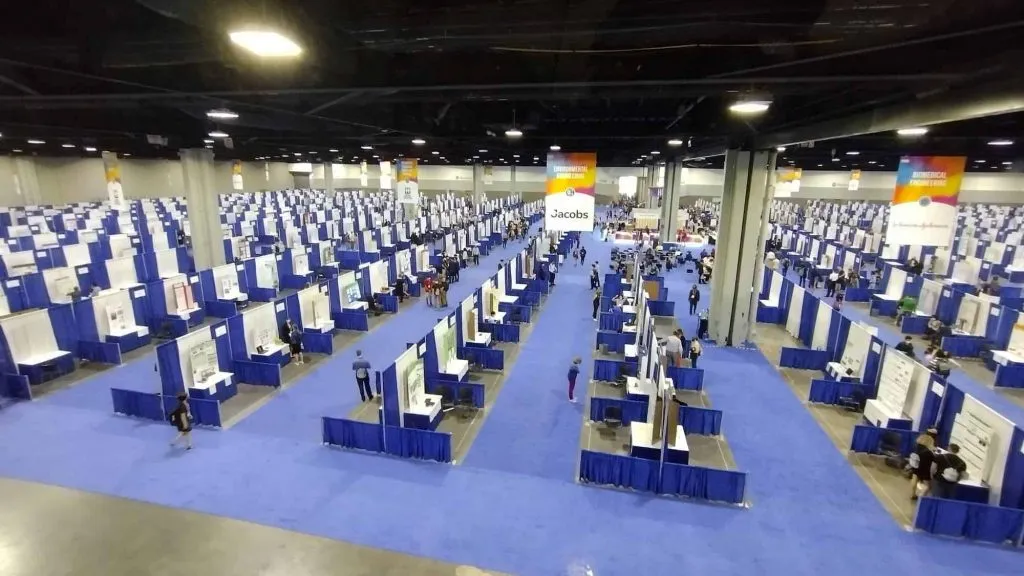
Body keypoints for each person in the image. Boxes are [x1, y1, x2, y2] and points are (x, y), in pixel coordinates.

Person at [908, 432, 935, 499]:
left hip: (915, 466)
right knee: (928, 486)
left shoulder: (917, 447)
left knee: (914, 480)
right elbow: (933, 459)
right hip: (924, 470)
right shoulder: (928, 452)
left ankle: (912, 494)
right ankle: (921, 497)